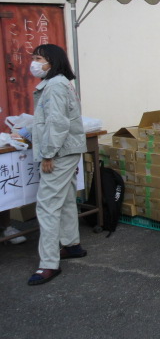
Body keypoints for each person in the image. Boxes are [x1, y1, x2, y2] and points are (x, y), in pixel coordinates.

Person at [13, 44, 87, 285]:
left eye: (38, 58)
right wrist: (26, 130)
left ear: (51, 62)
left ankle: (48, 264)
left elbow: (57, 124)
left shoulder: (54, 86)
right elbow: (49, 118)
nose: (33, 63)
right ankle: (71, 244)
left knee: (46, 206)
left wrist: (47, 154)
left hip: (59, 152)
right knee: (65, 198)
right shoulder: (59, 83)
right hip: (67, 149)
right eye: (33, 57)